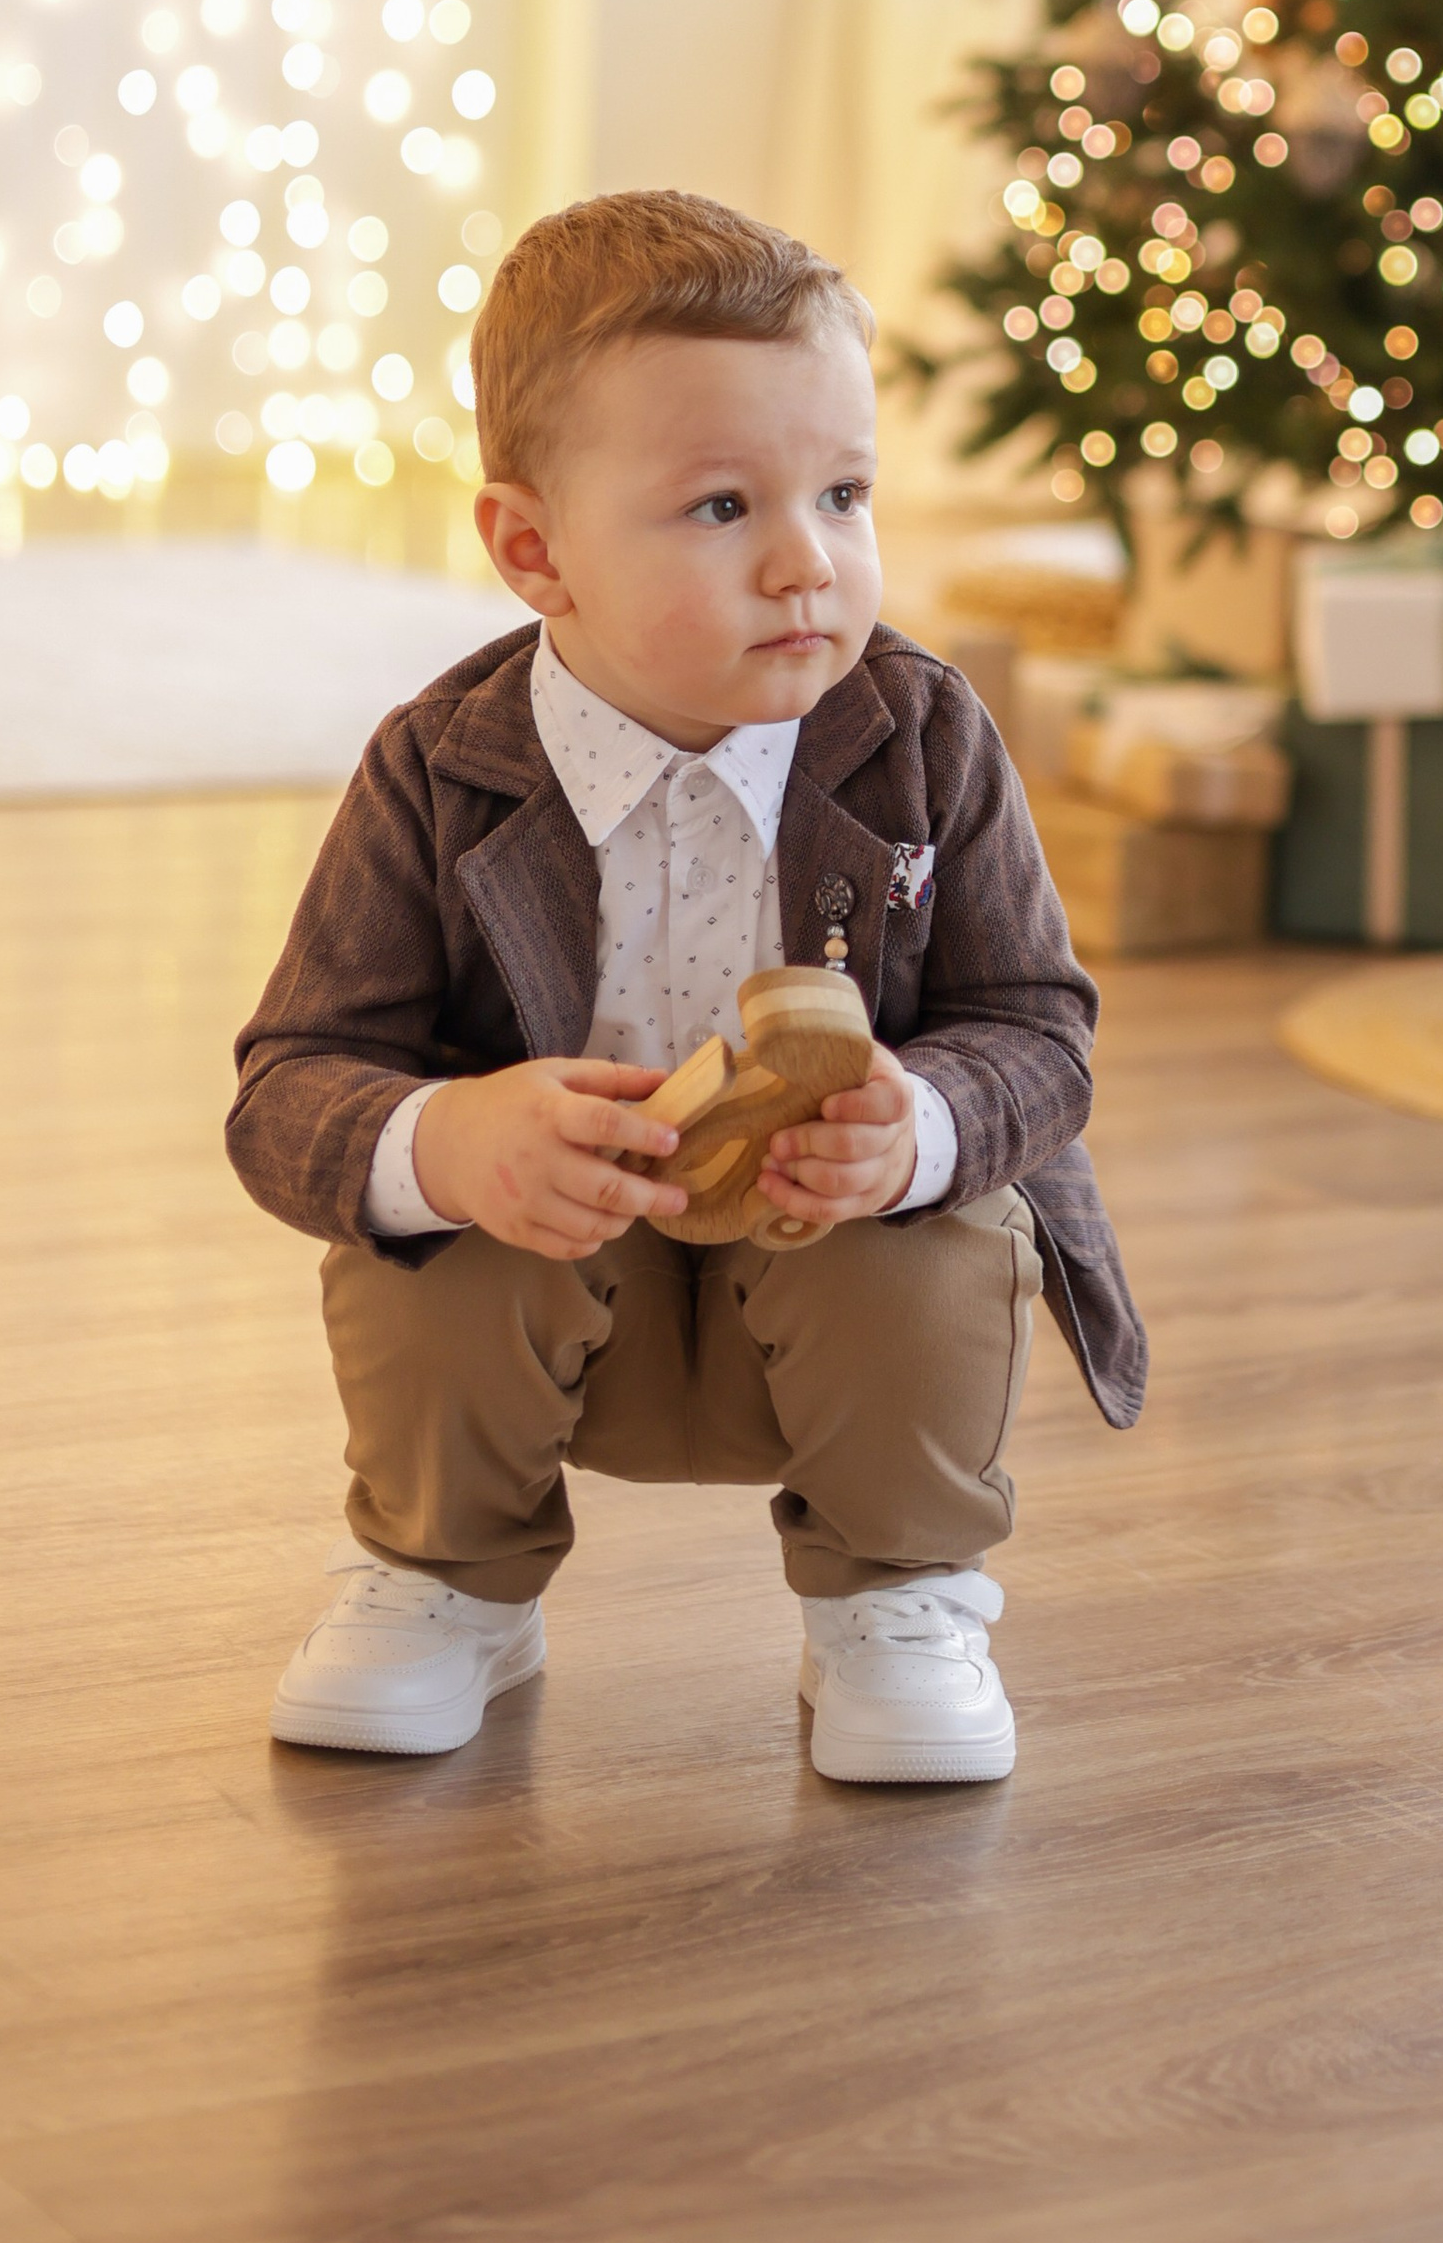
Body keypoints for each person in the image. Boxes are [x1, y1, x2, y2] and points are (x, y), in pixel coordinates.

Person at [229, 188, 1142, 1781]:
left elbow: (1044, 1031)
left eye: (845, 493)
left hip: (835, 1291)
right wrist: (447, 1143)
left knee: (931, 1235)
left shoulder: (923, 739)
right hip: (563, 1303)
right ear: (534, 549)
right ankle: (445, 1581)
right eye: (723, 508)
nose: (809, 564)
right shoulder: (439, 773)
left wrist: (916, 1128)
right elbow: (291, 1083)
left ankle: (899, 1594)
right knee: (436, 1227)